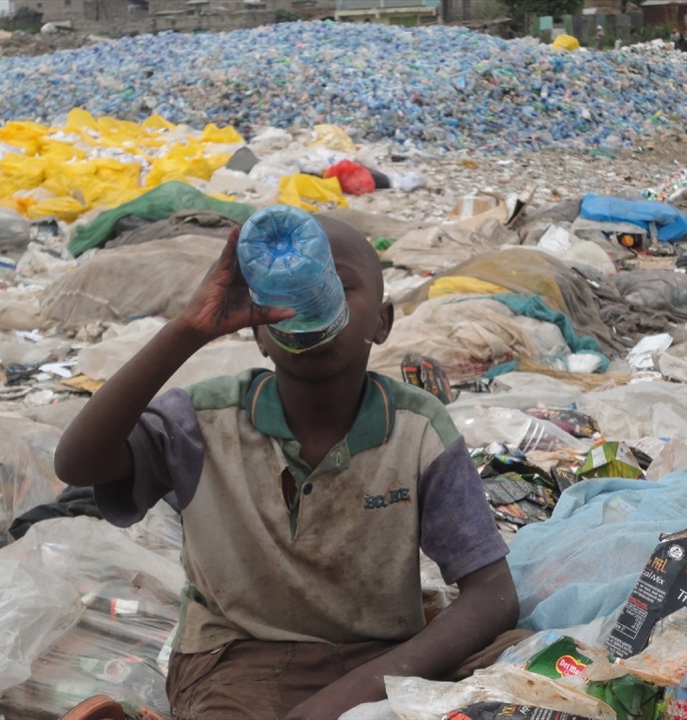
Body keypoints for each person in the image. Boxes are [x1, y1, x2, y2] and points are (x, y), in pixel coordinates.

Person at [54, 218, 524, 720]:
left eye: (337, 287)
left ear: (382, 322)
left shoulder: (417, 429)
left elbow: (492, 593)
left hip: (382, 658)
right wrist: (188, 330)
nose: (309, 306)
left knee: (535, 671)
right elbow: (78, 464)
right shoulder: (203, 421)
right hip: (239, 656)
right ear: (258, 331)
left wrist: (346, 698)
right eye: (283, 296)